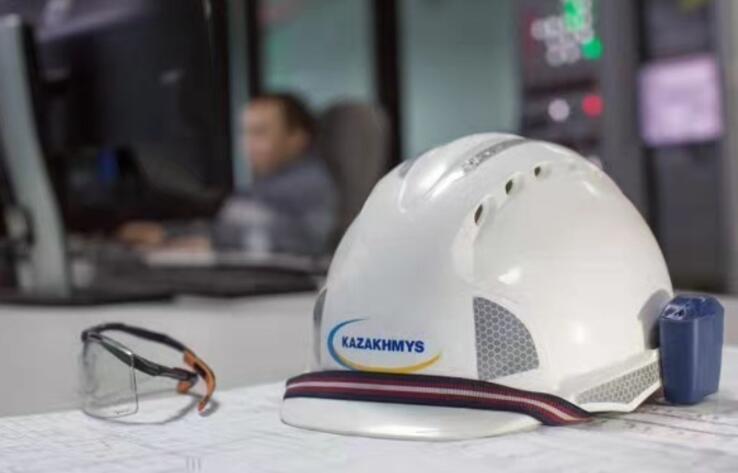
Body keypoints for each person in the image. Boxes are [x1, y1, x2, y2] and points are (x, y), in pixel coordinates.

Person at [118, 93, 337, 256]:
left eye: (260, 133)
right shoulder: (267, 184)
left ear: (297, 138)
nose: (248, 145)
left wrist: (213, 243)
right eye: (245, 133)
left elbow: (308, 244)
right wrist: (168, 234)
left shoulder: (311, 183)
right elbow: (228, 227)